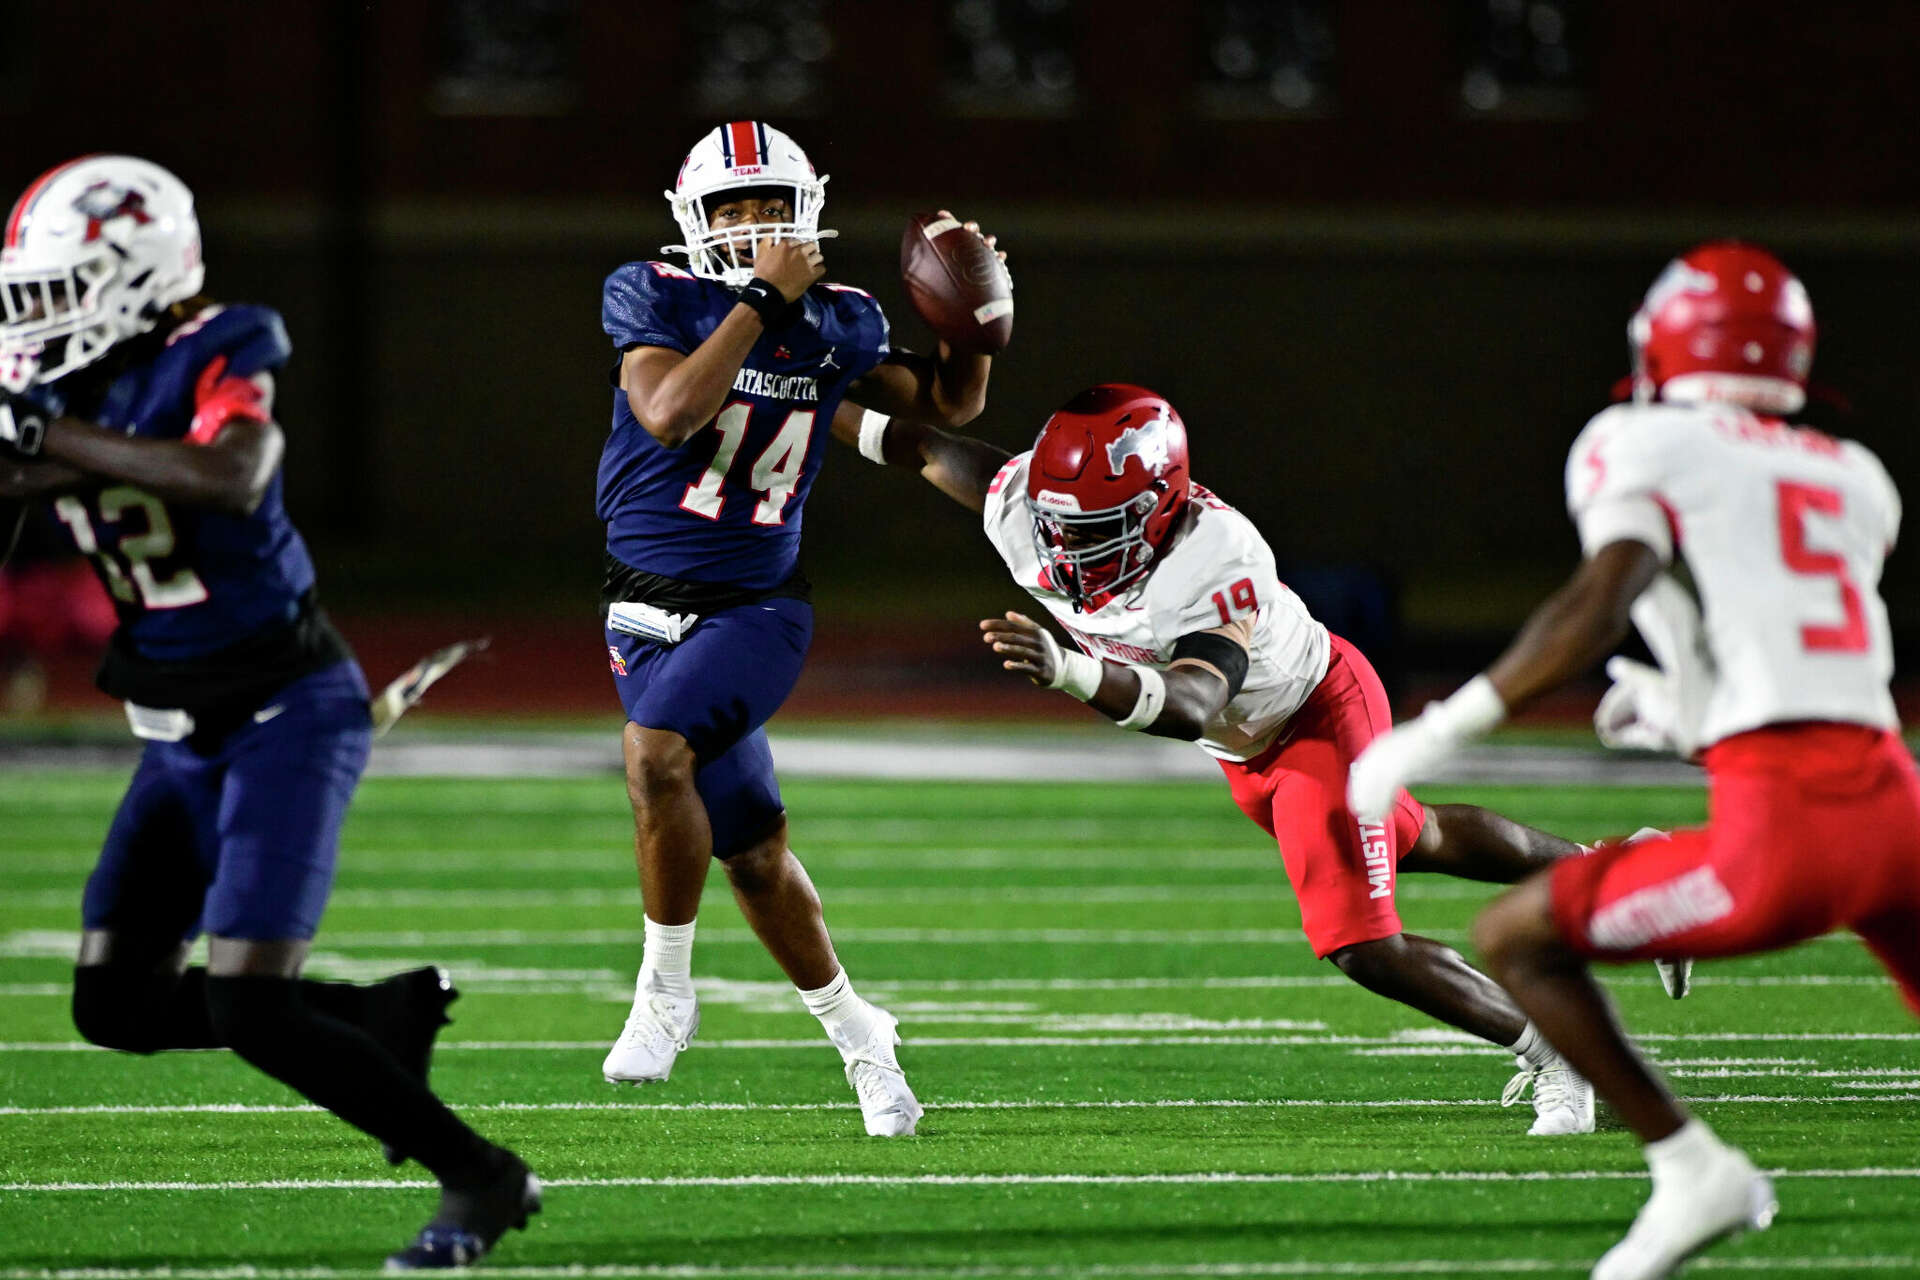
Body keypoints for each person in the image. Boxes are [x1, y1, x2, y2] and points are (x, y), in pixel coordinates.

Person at [0, 155, 536, 1270]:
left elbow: (235, 471)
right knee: (113, 1001)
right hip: (174, 732)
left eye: (60, 291)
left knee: (249, 1003)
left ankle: (482, 1175)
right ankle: (375, 1014)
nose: (38, 321)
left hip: (286, 708)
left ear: (137, 273)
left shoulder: (220, 344)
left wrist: (42, 440)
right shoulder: (69, 391)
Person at [1348, 241, 1916, 1279]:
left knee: (1517, 933)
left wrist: (1440, 728)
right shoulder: (1857, 475)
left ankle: (1691, 1163)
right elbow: (1792, 652)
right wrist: (1684, 711)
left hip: (1789, 825)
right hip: (1893, 797)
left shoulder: (1642, 439)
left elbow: (1601, 595)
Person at [846, 382, 1607, 1136]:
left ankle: (1562, 1051)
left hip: (1313, 715)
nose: (1063, 545)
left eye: (1095, 527)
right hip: (1245, 749)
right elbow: (918, 445)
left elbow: (1188, 706)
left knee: (1362, 943)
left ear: (1158, 507)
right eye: (1055, 522)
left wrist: (1069, 670)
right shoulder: (1024, 505)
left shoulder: (1214, 554)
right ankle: (1612, 871)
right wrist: (807, 401)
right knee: (1418, 837)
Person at [596, 120, 1005, 1136]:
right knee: (755, 852)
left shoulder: (842, 320)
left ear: (806, 209)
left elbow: (943, 401)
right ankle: (865, 1040)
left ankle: (664, 992)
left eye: (768, 204)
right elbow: (669, 412)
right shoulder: (655, 293)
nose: (750, 224)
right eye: (730, 208)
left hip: (757, 609)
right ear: (693, 219)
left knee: (654, 756)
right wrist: (756, 302)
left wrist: (974, 321)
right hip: (640, 609)